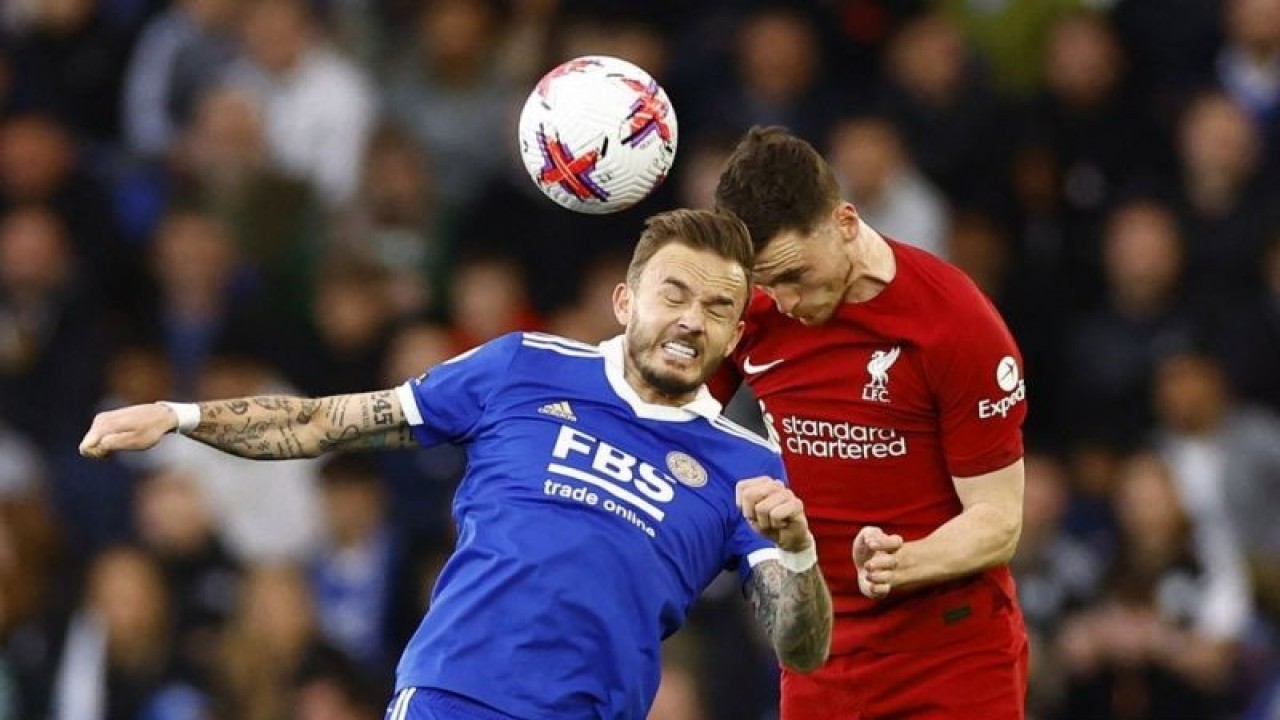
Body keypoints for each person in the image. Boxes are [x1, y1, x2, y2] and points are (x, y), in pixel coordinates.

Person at [79, 208, 833, 719]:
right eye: (675, 293)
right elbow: (324, 422)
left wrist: (797, 550)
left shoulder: (747, 465)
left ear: (736, 337)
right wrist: (178, 417)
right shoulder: (522, 367)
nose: (691, 319)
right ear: (625, 300)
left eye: (717, 309)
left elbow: (801, 646)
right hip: (454, 696)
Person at [713, 126, 1028, 719]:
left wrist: (905, 561)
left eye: (794, 276)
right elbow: (670, 407)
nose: (782, 301)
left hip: (952, 654)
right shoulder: (752, 311)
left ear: (846, 223)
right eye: (766, 283)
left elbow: (999, 521)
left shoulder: (953, 324)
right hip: (819, 652)